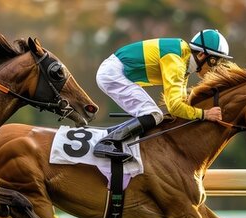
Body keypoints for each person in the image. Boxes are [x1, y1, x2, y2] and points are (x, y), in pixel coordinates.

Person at [93, 29, 233, 161]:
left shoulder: (183, 60)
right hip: (113, 73)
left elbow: (181, 102)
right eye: (214, 61)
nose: (215, 69)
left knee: (153, 115)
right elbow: (175, 107)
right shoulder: (176, 61)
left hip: (116, 71)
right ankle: (106, 143)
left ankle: (110, 138)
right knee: (153, 114)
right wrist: (205, 114)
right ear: (202, 55)